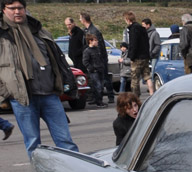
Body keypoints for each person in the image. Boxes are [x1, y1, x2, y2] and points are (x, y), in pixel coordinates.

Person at [0, 0, 79, 157]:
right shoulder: (2, 35)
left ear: (25, 9)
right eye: (12, 8)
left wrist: (64, 82)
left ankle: (73, 171)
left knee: (65, 141)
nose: (17, 11)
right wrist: (7, 92)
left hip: (49, 94)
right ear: (3, 10)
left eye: (20, 8)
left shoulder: (39, 31)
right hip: (22, 98)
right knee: (33, 143)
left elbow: (57, 60)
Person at [80, 11, 113, 103]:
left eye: (80, 18)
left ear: (83, 20)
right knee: (95, 80)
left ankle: (110, 96)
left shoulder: (94, 31)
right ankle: (96, 98)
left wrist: (101, 59)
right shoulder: (86, 30)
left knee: (104, 78)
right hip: (93, 59)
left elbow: (100, 46)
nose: (80, 20)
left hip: (99, 59)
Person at [123, 12, 148, 97]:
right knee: (147, 77)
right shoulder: (142, 28)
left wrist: (131, 57)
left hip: (137, 57)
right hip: (145, 56)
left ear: (128, 20)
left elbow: (133, 44)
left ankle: (135, 96)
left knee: (135, 78)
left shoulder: (133, 29)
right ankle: (152, 93)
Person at [83, 33, 108, 107]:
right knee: (98, 86)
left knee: (101, 86)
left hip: (100, 70)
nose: (97, 42)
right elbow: (85, 61)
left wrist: (103, 66)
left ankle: (99, 100)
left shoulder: (98, 49)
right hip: (94, 71)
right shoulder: (87, 51)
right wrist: (92, 69)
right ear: (90, 41)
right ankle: (99, 102)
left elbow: (102, 58)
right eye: (95, 40)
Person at [142, 18, 159, 95]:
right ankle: (150, 88)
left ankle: (153, 89)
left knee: (152, 72)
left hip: (153, 56)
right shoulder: (144, 33)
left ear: (148, 25)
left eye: (143, 25)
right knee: (147, 73)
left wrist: (152, 53)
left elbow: (158, 45)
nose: (142, 26)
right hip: (147, 56)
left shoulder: (155, 33)